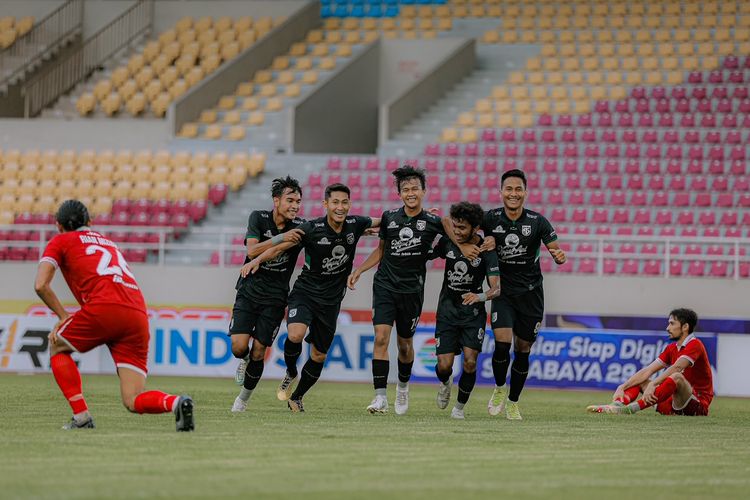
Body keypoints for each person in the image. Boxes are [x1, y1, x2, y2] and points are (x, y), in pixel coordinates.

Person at [35, 200, 193, 431]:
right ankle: (177, 403)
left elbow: (41, 285)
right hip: (137, 313)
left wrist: (62, 316)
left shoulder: (60, 240)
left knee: (58, 347)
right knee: (132, 398)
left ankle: (81, 417)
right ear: (90, 222)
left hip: (104, 308)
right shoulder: (109, 243)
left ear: (58, 226)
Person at [348, 165, 479, 415]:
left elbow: (460, 234)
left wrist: (484, 242)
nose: (410, 193)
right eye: (405, 189)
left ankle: (403, 387)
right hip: (385, 285)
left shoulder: (434, 222)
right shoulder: (389, 217)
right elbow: (381, 250)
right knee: (381, 338)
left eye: (415, 188)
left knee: (405, 345)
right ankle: (380, 397)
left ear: (424, 191)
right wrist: (359, 270)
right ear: (399, 194)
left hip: (411, 291)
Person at [245, 183, 379, 412]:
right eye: (335, 202)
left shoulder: (356, 224)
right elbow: (280, 247)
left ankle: (296, 397)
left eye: (344, 202)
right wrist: (257, 260)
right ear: (325, 204)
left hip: (332, 300)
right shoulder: (311, 228)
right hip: (305, 293)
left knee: (319, 355)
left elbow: (388, 220)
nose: (340, 207)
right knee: (295, 334)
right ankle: (291, 371)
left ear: (349, 204)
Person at [479, 169, 566, 420]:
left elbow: (555, 250)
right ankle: (498, 388)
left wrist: (559, 256)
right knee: (502, 344)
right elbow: (465, 230)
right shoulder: (490, 218)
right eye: (509, 189)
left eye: (518, 189)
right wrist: (484, 241)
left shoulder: (538, 221)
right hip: (503, 293)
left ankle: (513, 402)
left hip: (531, 295)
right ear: (501, 192)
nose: (513, 194)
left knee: (523, 348)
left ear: (525, 193)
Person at [229, 176, 305, 413]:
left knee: (260, 351)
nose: (295, 205)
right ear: (276, 200)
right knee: (239, 348)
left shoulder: (301, 226)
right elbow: (252, 251)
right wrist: (281, 237)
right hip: (248, 290)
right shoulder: (258, 218)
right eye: (290, 200)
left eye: (298, 201)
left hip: (275, 298)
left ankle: (242, 400)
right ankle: (244, 361)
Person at [431, 202, 500, 419]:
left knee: (470, 362)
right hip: (447, 312)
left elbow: (496, 288)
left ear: (475, 228)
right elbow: (429, 252)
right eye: (455, 227)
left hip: (472, 315)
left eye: (462, 228)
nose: (458, 232)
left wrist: (478, 297)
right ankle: (445, 382)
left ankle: (459, 408)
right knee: (444, 366)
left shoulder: (486, 250)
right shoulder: (448, 242)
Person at [587, 308, 713, 416]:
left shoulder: (695, 344)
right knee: (641, 379)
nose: (667, 328)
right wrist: (623, 386)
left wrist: (654, 384)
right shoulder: (672, 348)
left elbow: (677, 367)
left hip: (697, 407)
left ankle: (629, 409)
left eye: (672, 324)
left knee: (676, 377)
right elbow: (648, 370)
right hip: (672, 406)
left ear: (685, 327)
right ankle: (616, 405)